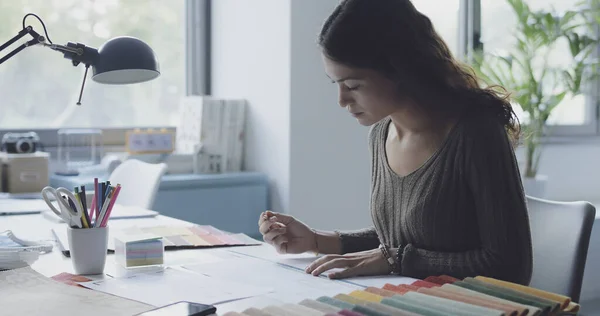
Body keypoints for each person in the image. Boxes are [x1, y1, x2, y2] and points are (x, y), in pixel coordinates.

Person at [258, 0, 533, 285]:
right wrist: (317, 240)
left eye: (353, 86)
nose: (342, 100)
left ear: (399, 70)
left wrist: (397, 260)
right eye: (336, 84)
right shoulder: (381, 135)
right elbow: (403, 240)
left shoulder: (476, 132)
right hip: (412, 299)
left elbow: (510, 266)